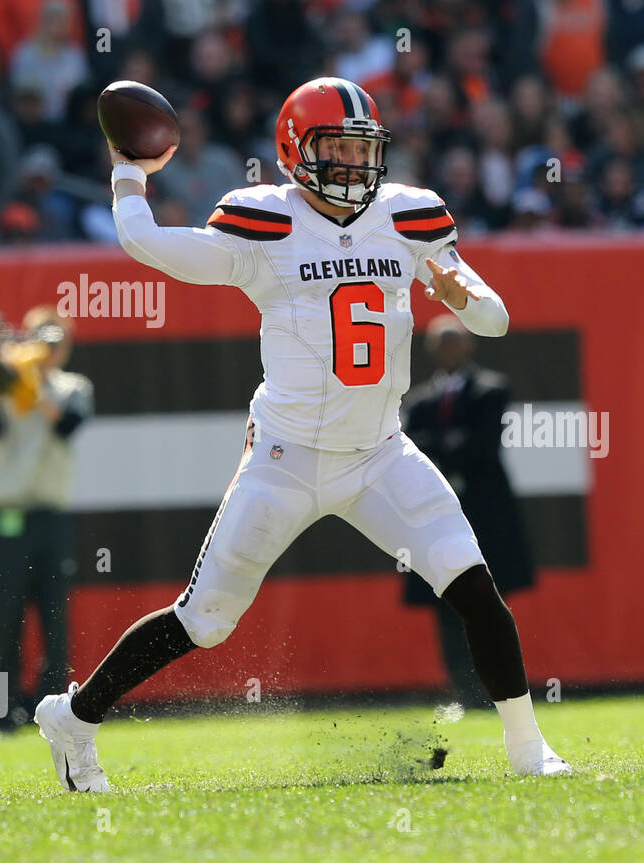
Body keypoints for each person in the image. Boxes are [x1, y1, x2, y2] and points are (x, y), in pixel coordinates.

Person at [35, 77, 570, 793]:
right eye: (338, 147)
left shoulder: (411, 216)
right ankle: (74, 715)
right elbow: (146, 243)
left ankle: (529, 748)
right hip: (285, 459)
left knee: (473, 584)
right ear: (295, 150)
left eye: (362, 148)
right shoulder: (266, 224)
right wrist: (129, 171)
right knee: (206, 621)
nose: (353, 163)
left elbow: (494, 321)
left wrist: (462, 296)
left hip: (381, 453)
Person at [402, 314, 535, 708]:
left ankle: (502, 690)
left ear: (469, 345)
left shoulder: (492, 389)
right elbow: (414, 444)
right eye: (440, 343)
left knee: (490, 603)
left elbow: (481, 444)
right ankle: (463, 689)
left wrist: (441, 443)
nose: (448, 350)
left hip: (485, 516)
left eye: (453, 341)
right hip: (438, 515)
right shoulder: (418, 400)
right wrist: (448, 440)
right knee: (445, 602)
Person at [0, 306, 92, 727]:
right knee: (6, 617)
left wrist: (35, 381)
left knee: (54, 618)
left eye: (56, 342)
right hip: (7, 516)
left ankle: (55, 712)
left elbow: (67, 427)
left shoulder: (73, 387)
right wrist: (0, 370)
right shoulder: (5, 386)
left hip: (51, 517)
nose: (49, 349)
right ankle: (4, 713)